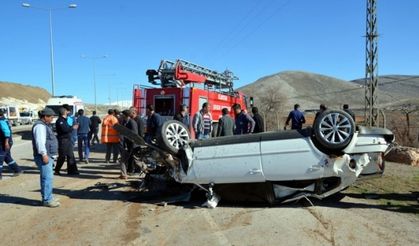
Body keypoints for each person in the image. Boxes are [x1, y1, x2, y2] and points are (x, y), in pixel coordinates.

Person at [32, 107, 60, 207]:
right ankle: (47, 200)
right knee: (47, 178)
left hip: (48, 155)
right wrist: (44, 154)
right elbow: (40, 142)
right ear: (45, 117)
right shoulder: (40, 126)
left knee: (47, 177)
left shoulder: (44, 125)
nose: (52, 118)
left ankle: (48, 197)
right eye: (51, 117)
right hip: (44, 155)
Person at [55, 107, 79, 175]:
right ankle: (57, 170)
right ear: (64, 112)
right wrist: (73, 128)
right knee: (62, 156)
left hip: (68, 139)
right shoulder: (60, 120)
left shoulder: (66, 119)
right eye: (67, 111)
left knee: (71, 155)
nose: (68, 112)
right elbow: (65, 130)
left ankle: (72, 171)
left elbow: (68, 127)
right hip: (63, 140)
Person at [0, 109, 23, 179]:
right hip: (6, 142)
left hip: (4, 142)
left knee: (0, 158)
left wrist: (6, 143)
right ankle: (17, 170)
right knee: (7, 157)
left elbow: (7, 132)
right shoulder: (4, 120)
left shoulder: (1, 121)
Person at [120, 110, 139, 179]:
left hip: (132, 145)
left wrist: (130, 146)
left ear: (125, 115)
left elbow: (134, 135)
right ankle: (124, 174)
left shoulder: (132, 122)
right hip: (128, 144)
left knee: (134, 159)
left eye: (122, 115)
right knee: (126, 159)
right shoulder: (125, 122)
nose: (121, 116)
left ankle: (124, 175)